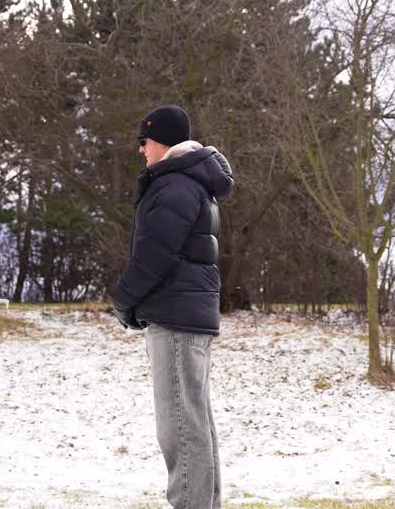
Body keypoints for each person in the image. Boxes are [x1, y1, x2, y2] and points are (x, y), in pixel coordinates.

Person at [112, 104, 234, 509]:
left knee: (180, 426)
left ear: (159, 141)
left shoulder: (175, 184)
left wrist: (123, 300)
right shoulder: (189, 182)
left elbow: (153, 256)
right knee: (194, 420)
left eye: (142, 142)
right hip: (184, 314)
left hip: (176, 318)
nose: (140, 151)